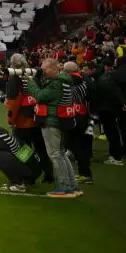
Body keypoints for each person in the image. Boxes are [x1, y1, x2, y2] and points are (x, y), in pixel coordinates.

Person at [26, 57, 80, 199]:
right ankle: (73, 186)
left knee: (55, 154)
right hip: (61, 121)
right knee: (61, 153)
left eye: (45, 69)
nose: (43, 71)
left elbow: (40, 96)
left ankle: (64, 188)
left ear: (53, 68)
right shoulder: (64, 80)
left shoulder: (57, 83)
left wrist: (30, 82)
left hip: (53, 121)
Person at [5, 53, 54, 184]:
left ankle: (30, 175)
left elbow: (13, 103)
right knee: (41, 149)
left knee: (23, 151)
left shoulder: (14, 79)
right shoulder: (34, 76)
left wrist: (11, 120)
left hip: (22, 122)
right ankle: (48, 175)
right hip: (37, 119)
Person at [90, 59, 126, 166]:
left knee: (112, 130)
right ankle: (117, 153)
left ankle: (116, 156)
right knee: (117, 129)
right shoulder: (111, 76)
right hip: (115, 107)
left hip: (109, 107)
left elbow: (114, 90)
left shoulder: (112, 77)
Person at [64, 62, 94, 184]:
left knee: (74, 145)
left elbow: (69, 98)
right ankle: (85, 172)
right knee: (80, 144)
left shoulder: (71, 82)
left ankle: (85, 173)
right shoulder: (84, 81)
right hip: (84, 114)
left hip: (74, 115)